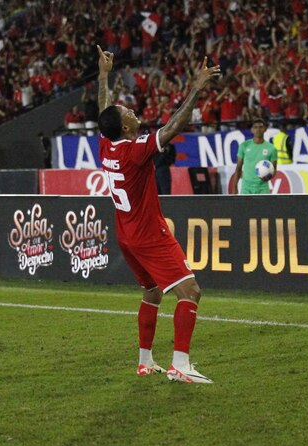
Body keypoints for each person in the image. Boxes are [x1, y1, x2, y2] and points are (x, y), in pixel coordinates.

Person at [96, 45, 220, 384]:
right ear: (124, 127)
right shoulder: (134, 151)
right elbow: (174, 127)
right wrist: (196, 88)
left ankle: (145, 361)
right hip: (150, 234)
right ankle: (181, 364)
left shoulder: (107, 144)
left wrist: (104, 75)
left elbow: (104, 111)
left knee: (152, 292)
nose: (134, 113)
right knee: (191, 292)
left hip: (126, 236)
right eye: (129, 113)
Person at [232, 118, 278, 194]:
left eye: (261, 127)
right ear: (252, 130)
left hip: (262, 188)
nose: (258, 129)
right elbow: (238, 168)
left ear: (265, 129)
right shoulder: (244, 146)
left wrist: (268, 176)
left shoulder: (271, 148)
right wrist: (234, 187)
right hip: (246, 188)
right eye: (255, 127)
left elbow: (274, 169)